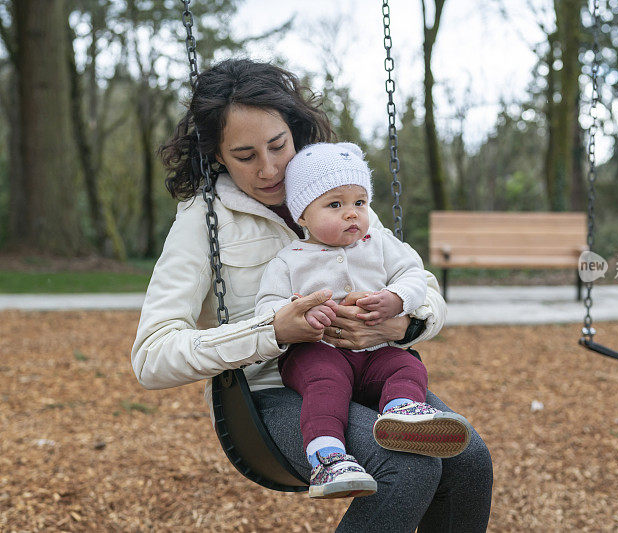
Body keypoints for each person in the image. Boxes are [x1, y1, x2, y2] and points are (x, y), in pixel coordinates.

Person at [131, 58, 492, 532]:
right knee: (405, 466)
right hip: (272, 394)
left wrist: (403, 323)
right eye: (245, 155)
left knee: (470, 459)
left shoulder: (338, 192)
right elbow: (150, 356)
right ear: (217, 155)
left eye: (278, 145)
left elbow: (422, 286)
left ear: (294, 130)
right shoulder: (203, 222)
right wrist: (270, 331)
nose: (270, 168)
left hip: (369, 372)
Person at [254, 141, 472, 499]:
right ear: (302, 216)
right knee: (325, 387)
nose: (352, 213)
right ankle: (328, 458)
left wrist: (397, 299)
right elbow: (266, 311)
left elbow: (414, 274)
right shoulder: (289, 260)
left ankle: (401, 411)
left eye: (360, 202)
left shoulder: (380, 242)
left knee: (406, 365)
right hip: (316, 352)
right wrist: (299, 314)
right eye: (335, 204)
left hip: (376, 349)